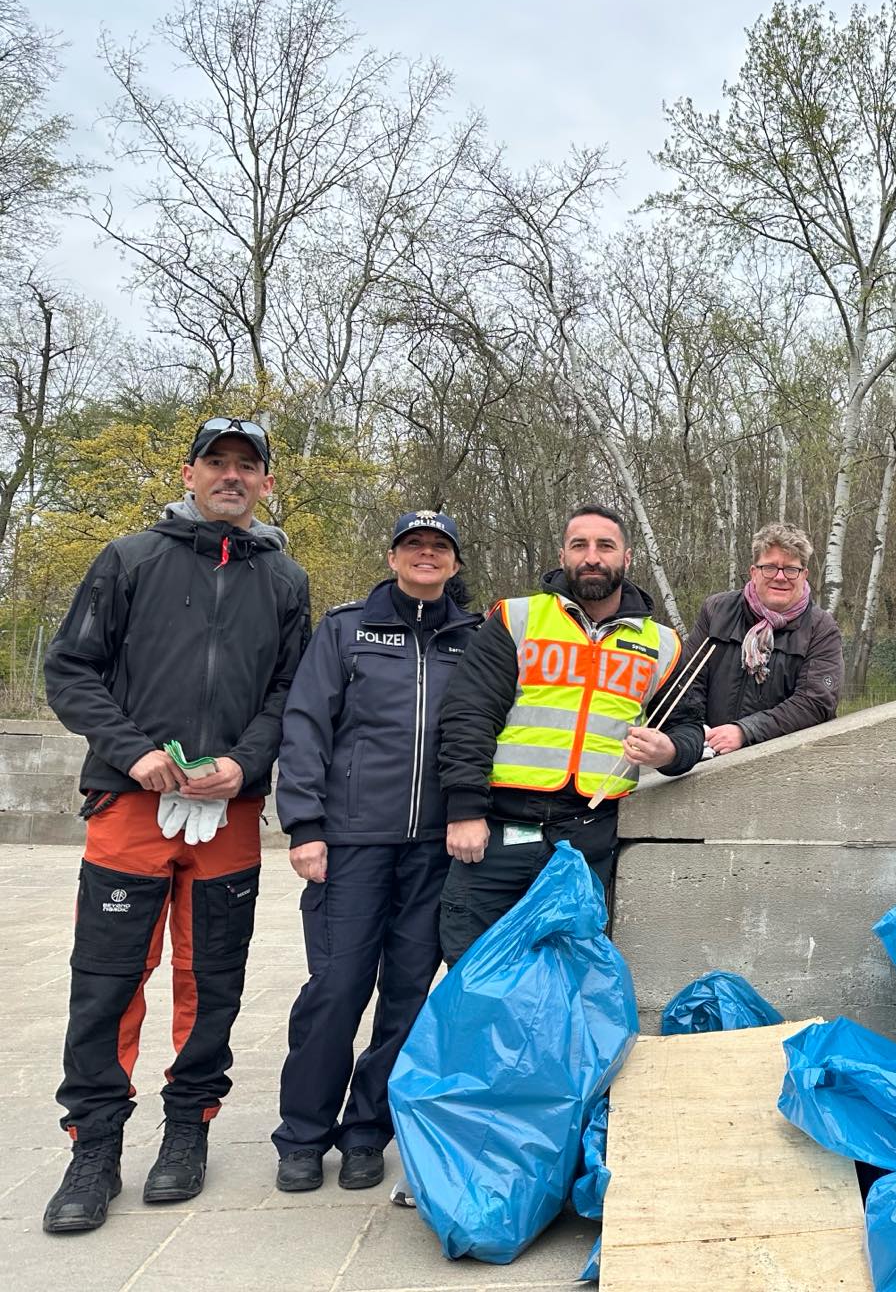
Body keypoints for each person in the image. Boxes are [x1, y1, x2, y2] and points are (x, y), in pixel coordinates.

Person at [39, 416, 311, 1234]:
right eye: (217, 463)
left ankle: (187, 1130)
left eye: (248, 466)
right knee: (108, 981)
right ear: (190, 472)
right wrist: (133, 753)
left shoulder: (286, 580)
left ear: (266, 483)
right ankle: (94, 1145)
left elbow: (289, 695)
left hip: (226, 813)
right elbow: (70, 669)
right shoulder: (129, 559)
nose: (232, 476)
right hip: (130, 806)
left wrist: (247, 762)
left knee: (211, 981)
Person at [270, 511, 481, 1195]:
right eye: (415, 546)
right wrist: (304, 826)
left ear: (453, 563)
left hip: (433, 848)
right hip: (351, 842)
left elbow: (480, 733)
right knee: (336, 988)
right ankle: (302, 1133)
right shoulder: (346, 629)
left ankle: (366, 1129)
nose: (427, 556)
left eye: (439, 548)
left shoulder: (473, 639)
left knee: (408, 996)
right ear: (393, 556)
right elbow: (305, 726)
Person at [435, 504, 704, 964]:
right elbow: (469, 715)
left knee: (568, 971)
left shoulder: (664, 644)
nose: (592, 556)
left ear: (627, 557)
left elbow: (688, 727)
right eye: (580, 545)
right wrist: (464, 810)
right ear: (563, 555)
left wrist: (671, 749)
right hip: (498, 828)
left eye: (605, 546)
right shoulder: (515, 619)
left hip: (587, 833)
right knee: (474, 965)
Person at [691, 521, 842, 756]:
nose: (780, 577)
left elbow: (815, 703)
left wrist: (745, 731)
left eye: (791, 569)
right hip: (707, 751)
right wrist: (692, 734)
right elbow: (689, 682)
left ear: (804, 575)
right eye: (769, 568)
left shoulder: (821, 628)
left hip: (782, 766)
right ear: (753, 572)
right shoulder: (716, 610)